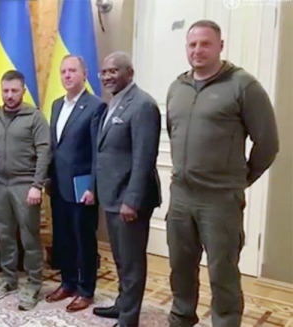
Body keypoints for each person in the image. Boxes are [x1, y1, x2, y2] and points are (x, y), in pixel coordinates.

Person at [166, 20, 279, 327]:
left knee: (223, 272)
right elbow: (173, 133)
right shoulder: (177, 87)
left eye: (205, 43)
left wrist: (239, 181)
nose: (198, 50)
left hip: (219, 201)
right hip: (181, 197)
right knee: (180, 267)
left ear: (220, 46)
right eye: (192, 44)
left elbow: (268, 143)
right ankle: (180, 318)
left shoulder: (243, 86)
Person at [93, 52, 162, 327]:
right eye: (104, 72)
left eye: (114, 71)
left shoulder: (143, 105)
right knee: (121, 259)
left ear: (129, 73)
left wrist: (131, 201)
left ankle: (129, 319)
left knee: (132, 263)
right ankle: (122, 305)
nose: (108, 76)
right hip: (112, 196)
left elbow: (144, 158)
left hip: (129, 199)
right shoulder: (113, 103)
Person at [45, 55, 105, 312]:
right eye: (64, 71)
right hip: (59, 185)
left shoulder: (95, 106)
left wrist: (92, 185)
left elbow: (96, 151)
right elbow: (55, 147)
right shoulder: (57, 105)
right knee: (64, 238)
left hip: (82, 186)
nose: (67, 75)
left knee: (84, 240)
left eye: (72, 71)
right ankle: (68, 282)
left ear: (84, 74)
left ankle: (86, 289)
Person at [0, 70, 50, 311]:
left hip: (26, 186)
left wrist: (37, 185)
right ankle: (9, 279)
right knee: (4, 235)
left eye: (14, 90)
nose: (9, 95)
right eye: (5, 90)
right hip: (1, 185)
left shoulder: (35, 117)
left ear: (23, 91)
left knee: (29, 236)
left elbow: (44, 152)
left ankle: (34, 283)